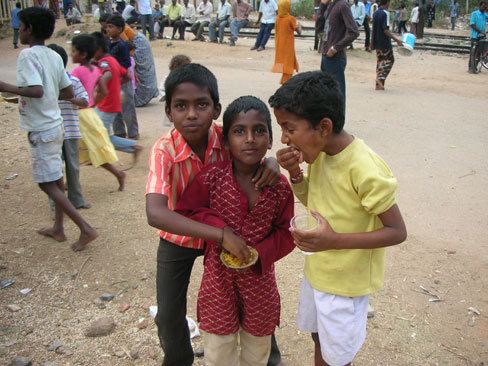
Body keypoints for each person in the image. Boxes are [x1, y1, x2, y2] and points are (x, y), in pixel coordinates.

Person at [145, 63, 283, 366]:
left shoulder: (229, 136)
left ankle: (269, 358)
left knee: (253, 294)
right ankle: (179, 359)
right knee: (168, 313)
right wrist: (220, 234)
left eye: (201, 105)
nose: (192, 114)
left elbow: (254, 144)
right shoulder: (163, 150)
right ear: (168, 112)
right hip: (182, 235)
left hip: (229, 235)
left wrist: (271, 162)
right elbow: (155, 214)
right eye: (181, 106)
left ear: (216, 109)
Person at [270, 70, 407, 366]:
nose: (283, 138)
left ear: (323, 127)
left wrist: (334, 241)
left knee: (337, 356)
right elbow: (314, 201)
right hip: (319, 272)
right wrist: (295, 174)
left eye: (289, 128)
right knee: (319, 337)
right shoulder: (320, 155)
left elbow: (397, 231)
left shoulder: (364, 167)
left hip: (346, 283)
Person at [174, 96, 295, 366]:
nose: (250, 139)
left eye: (259, 131)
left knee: (257, 350)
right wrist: (220, 230)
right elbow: (187, 212)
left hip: (260, 283)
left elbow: (287, 233)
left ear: (270, 140)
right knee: (219, 351)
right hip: (218, 282)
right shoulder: (212, 178)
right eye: (239, 131)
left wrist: (258, 253)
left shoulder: (279, 188)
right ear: (226, 142)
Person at [0, 7, 98, 251]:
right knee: (56, 177)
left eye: (21, 27)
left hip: (41, 128)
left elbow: (36, 90)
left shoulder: (28, 56)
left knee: (46, 183)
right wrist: (43, 98)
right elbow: (67, 92)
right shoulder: (54, 56)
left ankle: (85, 228)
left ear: (29, 29)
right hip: (55, 125)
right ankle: (58, 228)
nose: (20, 31)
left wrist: (5, 86)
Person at [70, 34, 127, 192]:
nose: (71, 54)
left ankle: (70, 181)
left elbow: (68, 91)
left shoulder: (77, 72)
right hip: (89, 113)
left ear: (83, 54)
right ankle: (118, 174)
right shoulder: (95, 69)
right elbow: (103, 90)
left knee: (72, 150)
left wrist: (73, 101)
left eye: (73, 51)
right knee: (93, 149)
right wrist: (92, 103)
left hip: (79, 116)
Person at [46, 43, 91, 210]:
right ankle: (56, 204)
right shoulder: (44, 84)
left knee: (72, 168)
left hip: (70, 131)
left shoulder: (72, 81)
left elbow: (85, 101)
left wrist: (68, 97)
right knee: (55, 169)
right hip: (51, 131)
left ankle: (76, 200)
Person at [91, 31, 143, 162]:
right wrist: (114, 84)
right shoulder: (111, 60)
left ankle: (132, 146)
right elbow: (127, 76)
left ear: (97, 49)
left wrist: (101, 86)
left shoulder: (104, 63)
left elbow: (107, 74)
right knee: (94, 130)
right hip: (108, 103)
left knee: (102, 136)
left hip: (107, 104)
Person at [100, 14, 159, 107]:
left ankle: (142, 95)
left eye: (109, 27)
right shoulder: (112, 38)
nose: (107, 30)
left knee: (143, 70)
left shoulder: (120, 38)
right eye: (106, 28)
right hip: (134, 44)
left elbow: (126, 46)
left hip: (136, 44)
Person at [316, 0, 359, 113]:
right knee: (325, 92)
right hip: (326, 56)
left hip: (335, 57)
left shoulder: (342, 5)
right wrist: (323, 5)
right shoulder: (330, 6)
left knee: (337, 93)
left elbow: (354, 31)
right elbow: (319, 28)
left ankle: (338, 125)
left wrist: (335, 48)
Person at [105, 15, 140, 140]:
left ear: (119, 29)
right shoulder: (107, 44)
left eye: (111, 27)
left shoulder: (122, 45)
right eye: (107, 27)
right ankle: (119, 131)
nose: (108, 29)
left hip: (122, 80)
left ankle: (133, 132)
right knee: (115, 107)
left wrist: (117, 72)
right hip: (110, 81)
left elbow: (126, 64)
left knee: (127, 107)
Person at [371, 0, 403, 90]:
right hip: (384, 42)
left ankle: (379, 85)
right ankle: (380, 78)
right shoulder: (386, 13)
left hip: (377, 41)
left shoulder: (376, 13)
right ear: (388, 3)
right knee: (390, 60)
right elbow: (385, 29)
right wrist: (397, 40)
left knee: (380, 61)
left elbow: (373, 29)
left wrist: (371, 42)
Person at [271, 0, 301, 84]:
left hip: (279, 45)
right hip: (288, 45)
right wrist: (299, 25)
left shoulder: (277, 18)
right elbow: (299, 32)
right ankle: (285, 83)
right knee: (288, 64)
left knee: (284, 63)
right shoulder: (290, 19)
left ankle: (285, 81)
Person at [468, 1, 487, 73]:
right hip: (475, 36)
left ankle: (475, 66)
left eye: (485, 7)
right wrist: (480, 31)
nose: (484, 8)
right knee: (473, 52)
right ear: (480, 6)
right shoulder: (474, 14)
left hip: (482, 36)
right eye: (483, 7)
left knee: (480, 52)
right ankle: (470, 67)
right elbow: (472, 24)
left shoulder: (485, 15)